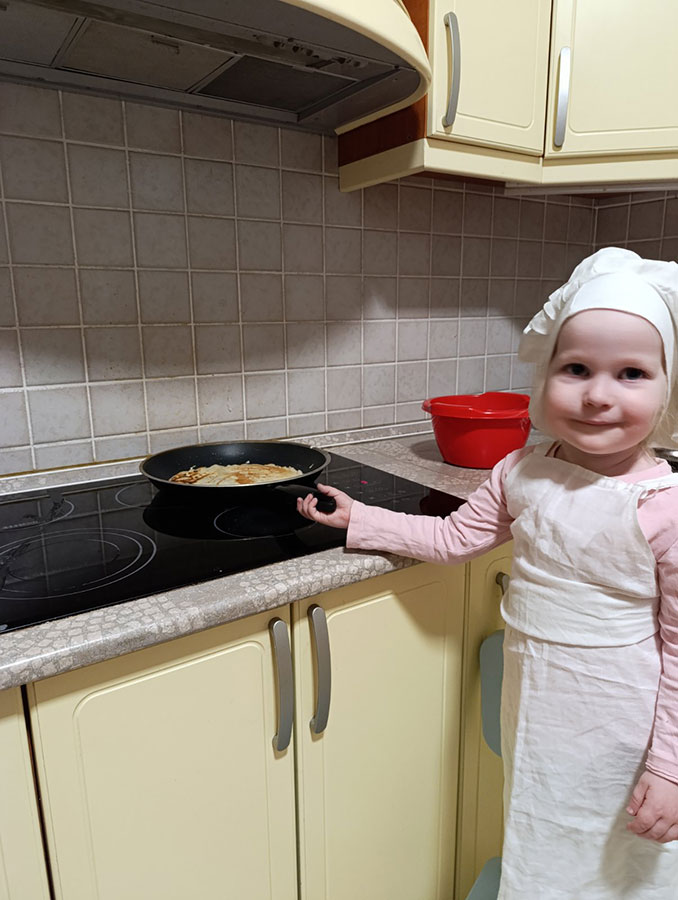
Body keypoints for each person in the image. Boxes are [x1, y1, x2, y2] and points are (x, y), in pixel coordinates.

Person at [297, 247, 678, 899]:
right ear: (544, 373)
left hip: (622, 725)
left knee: (617, 857)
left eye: (631, 374)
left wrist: (669, 768)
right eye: (576, 368)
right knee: (539, 831)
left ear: (668, 387)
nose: (597, 395)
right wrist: (363, 520)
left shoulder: (663, 507)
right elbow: (454, 538)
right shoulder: (521, 469)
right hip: (536, 706)